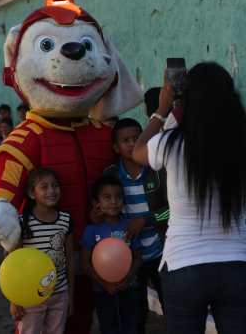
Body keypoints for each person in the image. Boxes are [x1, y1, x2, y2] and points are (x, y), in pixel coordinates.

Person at [132, 62, 246, 334]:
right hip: (237, 267)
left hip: (183, 266)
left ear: (187, 97)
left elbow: (137, 151)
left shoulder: (170, 143)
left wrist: (161, 109)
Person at [103, 118, 167, 333]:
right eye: (126, 140)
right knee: (134, 317)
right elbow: (104, 212)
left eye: (137, 138)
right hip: (129, 257)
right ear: (116, 147)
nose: (132, 144)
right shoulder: (110, 176)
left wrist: (146, 220)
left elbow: (175, 210)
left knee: (175, 312)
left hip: (163, 252)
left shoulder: (159, 170)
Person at [11, 168, 74, 334]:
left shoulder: (65, 220)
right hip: (30, 297)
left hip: (59, 294)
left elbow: (70, 261)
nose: (52, 191)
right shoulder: (22, 222)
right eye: (44, 187)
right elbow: (14, 265)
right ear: (32, 193)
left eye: (55, 186)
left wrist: (70, 296)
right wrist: (14, 300)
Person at [81, 176, 142, 334]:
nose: (114, 202)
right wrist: (104, 283)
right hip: (103, 292)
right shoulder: (91, 230)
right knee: (109, 328)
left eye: (118, 197)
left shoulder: (129, 226)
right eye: (107, 197)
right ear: (96, 203)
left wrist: (128, 278)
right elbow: (86, 264)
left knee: (131, 327)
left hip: (129, 289)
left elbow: (137, 257)